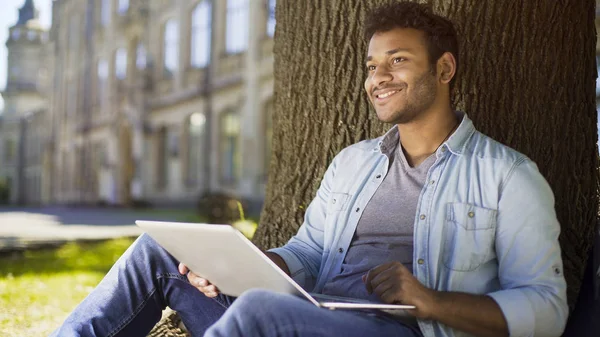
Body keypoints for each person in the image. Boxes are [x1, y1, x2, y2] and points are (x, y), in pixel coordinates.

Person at [52, 2, 568, 337]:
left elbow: (546, 308)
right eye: (371, 65)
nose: (378, 78)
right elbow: (311, 251)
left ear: (445, 69)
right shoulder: (354, 163)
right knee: (160, 252)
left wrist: (430, 301)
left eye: (398, 61)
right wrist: (260, 265)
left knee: (258, 315)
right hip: (305, 314)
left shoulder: (507, 175)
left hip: (391, 332)